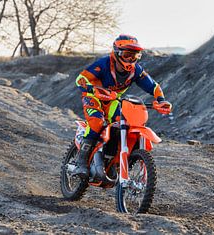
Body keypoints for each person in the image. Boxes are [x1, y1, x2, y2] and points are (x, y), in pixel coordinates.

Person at [73, 34, 172, 178]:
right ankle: (81, 162)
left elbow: (153, 86)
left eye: (135, 56)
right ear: (117, 53)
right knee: (97, 122)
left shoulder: (135, 70)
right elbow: (80, 79)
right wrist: (91, 89)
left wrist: (161, 99)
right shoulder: (103, 63)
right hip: (93, 97)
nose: (131, 59)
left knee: (123, 124)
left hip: (113, 101)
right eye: (127, 55)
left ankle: (112, 161)